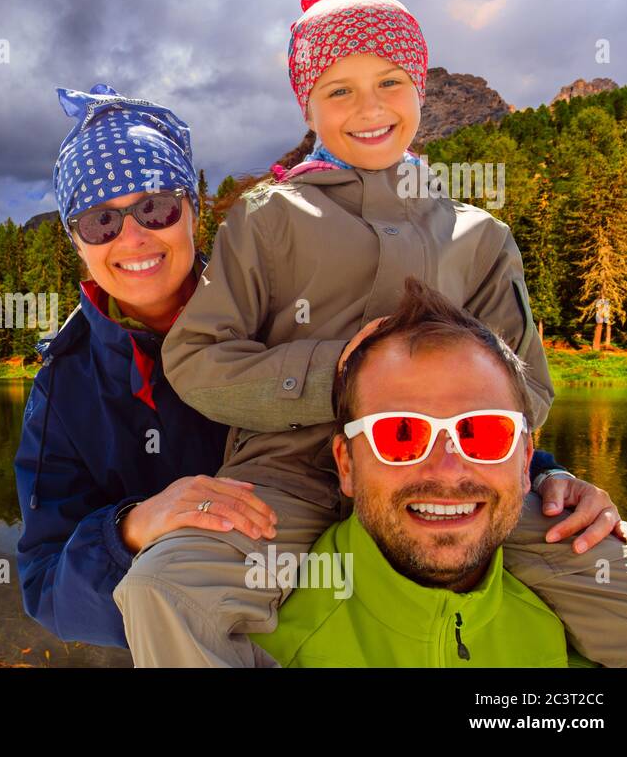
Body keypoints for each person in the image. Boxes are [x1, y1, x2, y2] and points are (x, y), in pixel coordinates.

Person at [116, 0, 627, 668]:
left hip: (464, 478)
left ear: (420, 91)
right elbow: (194, 360)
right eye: (337, 91)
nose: (369, 109)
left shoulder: (481, 237)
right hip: (287, 485)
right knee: (165, 590)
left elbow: (533, 392)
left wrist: (516, 452)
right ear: (306, 107)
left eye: (390, 83)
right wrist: (335, 374)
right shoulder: (265, 219)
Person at [251, 279, 603, 666]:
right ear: (346, 464)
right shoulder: (256, 648)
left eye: (483, 431)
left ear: (525, 462)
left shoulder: (588, 636)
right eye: (401, 433)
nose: (448, 470)